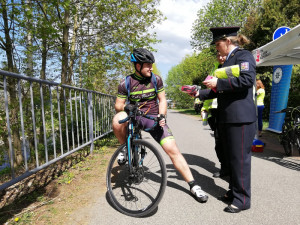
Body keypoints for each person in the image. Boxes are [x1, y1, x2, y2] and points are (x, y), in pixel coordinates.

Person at [112, 48, 208, 203]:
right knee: (117, 119)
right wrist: (126, 108)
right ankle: (124, 147)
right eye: (147, 65)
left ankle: (193, 185)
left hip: (153, 118)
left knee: (173, 150)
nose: (151, 67)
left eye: (151, 64)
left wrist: (162, 115)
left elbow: (162, 100)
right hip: (135, 116)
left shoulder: (156, 79)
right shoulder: (126, 83)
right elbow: (118, 105)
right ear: (137, 66)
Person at [195, 27, 256, 213]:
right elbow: (220, 90)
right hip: (228, 118)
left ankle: (242, 199)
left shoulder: (244, 56)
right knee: (230, 160)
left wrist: (218, 83)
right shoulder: (228, 61)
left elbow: (247, 80)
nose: (216, 49)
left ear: (227, 41)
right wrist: (198, 92)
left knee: (240, 160)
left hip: (240, 119)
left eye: (217, 44)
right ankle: (234, 191)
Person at [201, 52, 230, 178]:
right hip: (215, 110)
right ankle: (224, 168)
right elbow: (211, 91)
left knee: (231, 142)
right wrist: (205, 107)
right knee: (219, 142)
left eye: (223, 55)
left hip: (230, 110)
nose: (220, 58)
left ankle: (233, 171)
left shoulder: (232, 67)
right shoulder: (215, 69)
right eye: (218, 55)